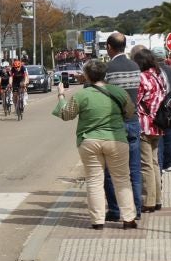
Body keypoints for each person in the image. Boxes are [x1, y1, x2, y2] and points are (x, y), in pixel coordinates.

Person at [52, 61, 138, 230]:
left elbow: (66, 115)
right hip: (116, 140)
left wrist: (61, 95)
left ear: (87, 76)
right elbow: (129, 112)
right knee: (122, 179)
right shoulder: (119, 92)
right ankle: (128, 219)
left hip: (89, 141)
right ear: (105, 74)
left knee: (94, 181)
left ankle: (98, 221)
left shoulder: (81, 95)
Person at [98, 33, 145, 221]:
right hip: (133, 121)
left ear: (109, 47)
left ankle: (116, 210)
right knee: (134, 168)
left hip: (115, 124)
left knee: (111, 170)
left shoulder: (107, 69)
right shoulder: (135, 67)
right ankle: (137, 209)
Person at [132, 47, 169, 211]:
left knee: (146, 164)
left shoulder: (142, 78)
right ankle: (158, 199)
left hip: (144, 124)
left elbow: (135, 100)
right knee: (154, 163)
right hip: (158, 124)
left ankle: (149, 201)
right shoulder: (159, 76)